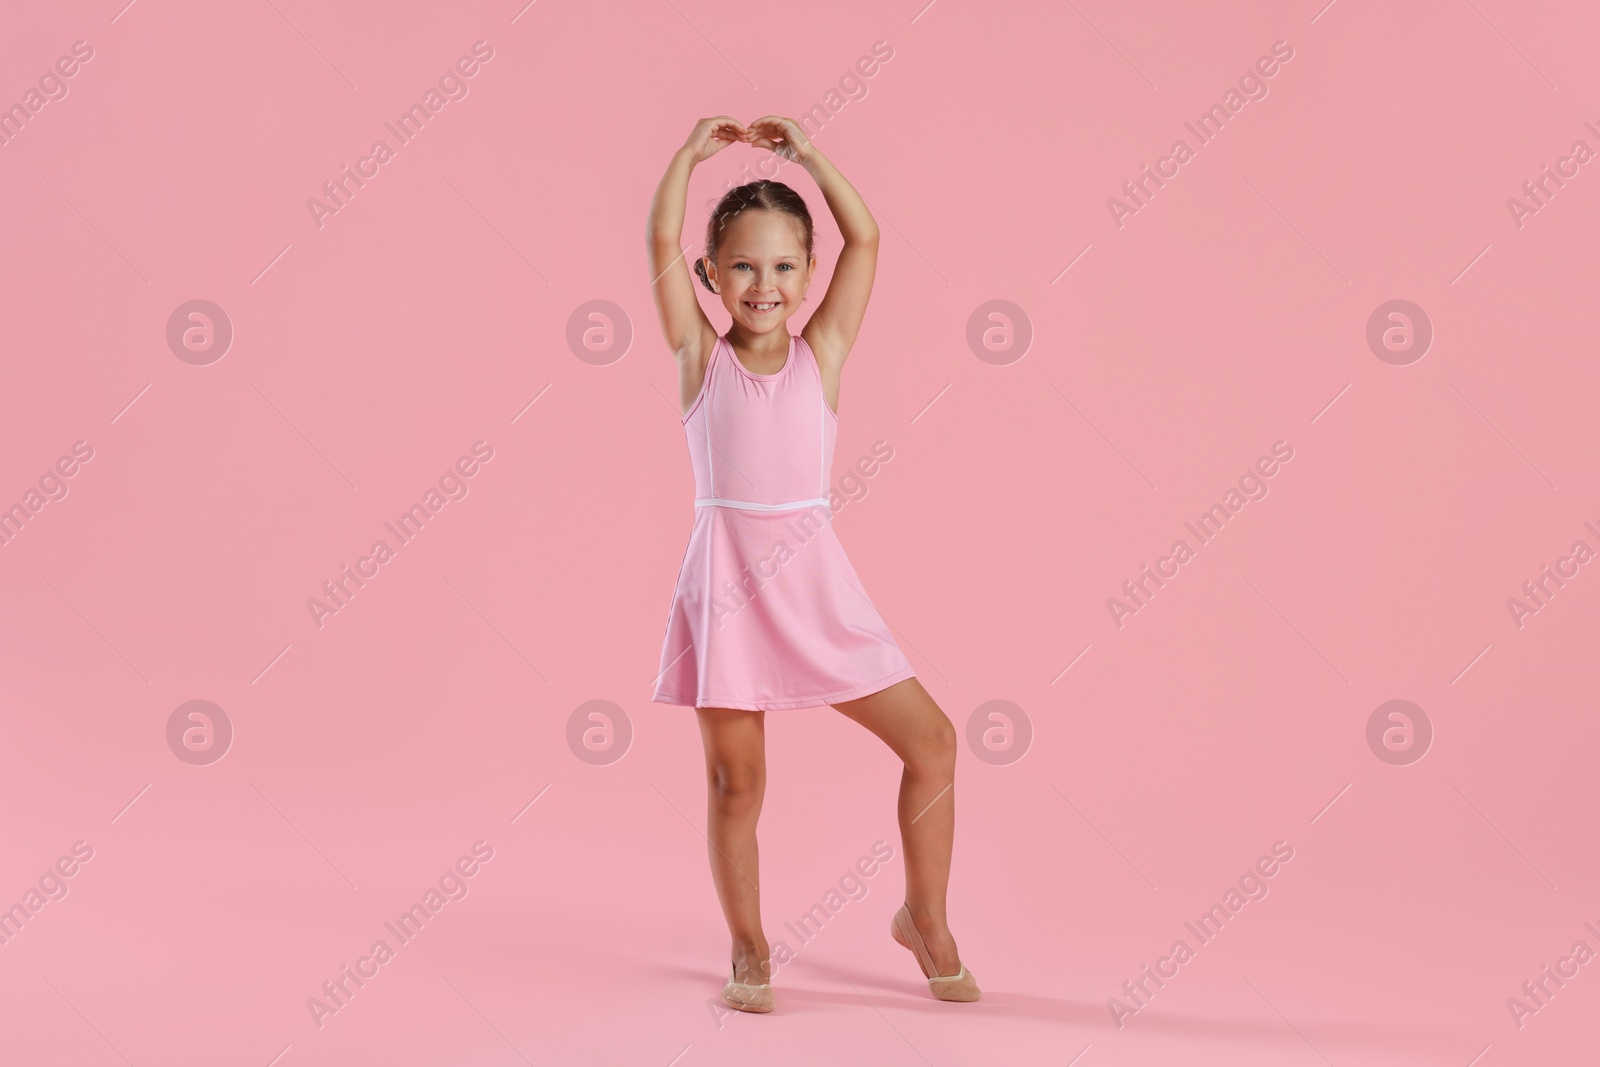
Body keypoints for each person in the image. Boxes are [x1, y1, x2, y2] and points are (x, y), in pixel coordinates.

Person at [646, 115, 980, 1013]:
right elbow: (658, 238)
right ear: (711, 274)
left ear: (807, 275)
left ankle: (926, 917)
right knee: (736, 779)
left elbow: (867, 236)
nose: (765, 284)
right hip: (725, 588)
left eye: (786, 265)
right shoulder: (698, 360)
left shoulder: (821, 354)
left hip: (812, 581)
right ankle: (750, 946)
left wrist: (807, 157)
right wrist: (687, 158)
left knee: (935, 741)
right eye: (743, 266)